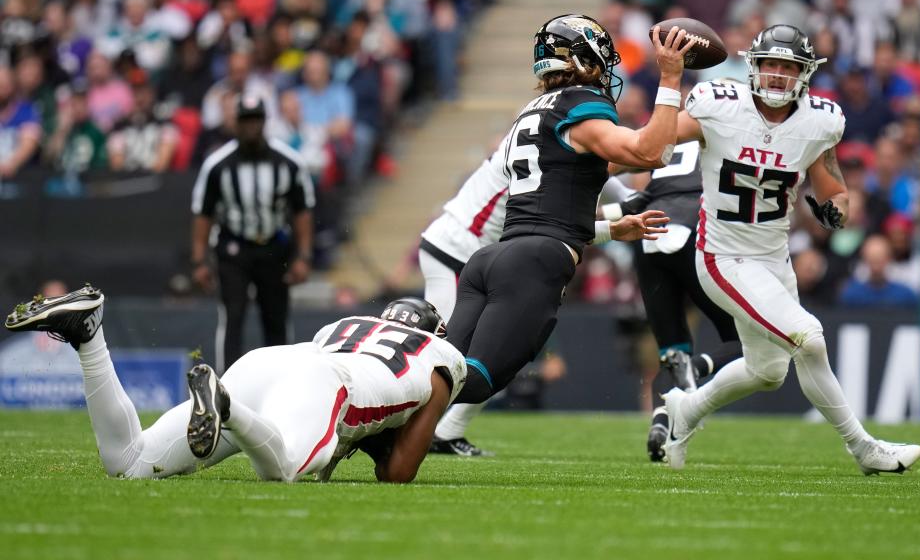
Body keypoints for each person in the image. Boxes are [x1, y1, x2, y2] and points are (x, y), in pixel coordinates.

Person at [661, 24, 920, 474]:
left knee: (767, 372)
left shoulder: (819, 121)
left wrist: (835, 210)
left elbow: (833, 189)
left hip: (774, 257)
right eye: (770, 65)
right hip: (723, 256)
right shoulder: (719, 107)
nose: (778, 75)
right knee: (809, 337)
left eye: (788, 67)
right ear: (753, 67)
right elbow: (658, 143)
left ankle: (683, 411)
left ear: (805, 73)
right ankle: (863, 449)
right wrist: (669, 81)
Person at [443, 14, 692, 409]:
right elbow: (653, 152)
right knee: (471, 383)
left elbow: (561, 202)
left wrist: (613, 228)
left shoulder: (535, 110)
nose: (606, 71)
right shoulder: (583, 105)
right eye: (601, 61)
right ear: (584, 61)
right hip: (531, 260)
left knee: (440, 372)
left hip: (491, 257)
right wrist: (670, 80)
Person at [4, 285, 465, 483]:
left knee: (129, 463)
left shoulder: (349, 324)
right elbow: (398, 472)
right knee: (283, 469)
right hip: (326, 385)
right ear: (435, 332)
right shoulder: (442, 358)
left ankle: (89, 336)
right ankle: (224, 406)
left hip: (272, 362)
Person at [420, 131, 668, 456]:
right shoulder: (556, 160)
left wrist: (630, 204)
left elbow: (619, 202)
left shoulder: (558, 147)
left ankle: (445, 431)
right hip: (460, 251)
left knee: (501, 351)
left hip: (479, 253)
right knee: (444, 356)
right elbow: (556, 228)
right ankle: (393, 420)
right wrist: (620, 215)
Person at [603, 141, 742, 462]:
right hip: (696, 232)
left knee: (672, 353)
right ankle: (694, 369)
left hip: (650, 236)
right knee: (745, 341)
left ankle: (661, 427)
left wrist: (575, 219)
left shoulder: (667, 154)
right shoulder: (726, 139)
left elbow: (626, 208)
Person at [191, 95, 315, 372]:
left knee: (277, 318)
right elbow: (203, 212)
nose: (251, 127)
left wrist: (304, 256)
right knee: (232, 315)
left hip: (274, 246)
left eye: (256, 120)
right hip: (234, 248)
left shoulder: (288, 162)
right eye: (245, 121)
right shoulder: (218, 165)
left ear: (264, 122)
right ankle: (229, 388)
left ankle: (280, 382)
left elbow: (302, 211)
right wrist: (199, 260)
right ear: (235, 123)